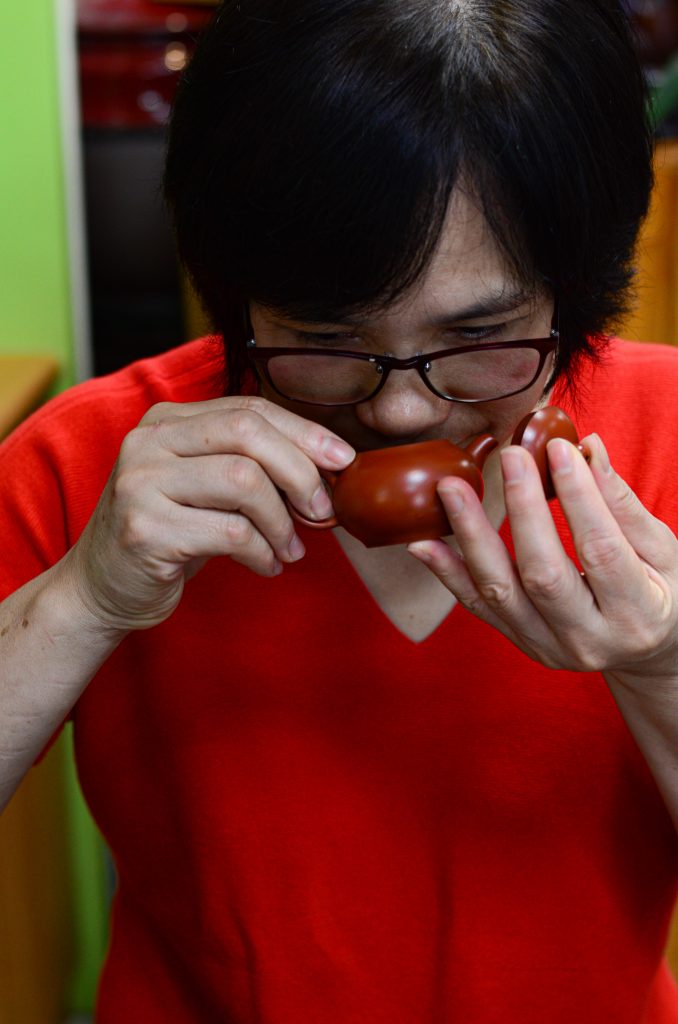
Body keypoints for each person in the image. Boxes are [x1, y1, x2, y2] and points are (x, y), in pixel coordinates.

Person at [2, 1, 678, 1020]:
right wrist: (81, 601)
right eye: (323, 334)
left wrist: (662, 667)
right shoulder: (88, 462)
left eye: (482, 333)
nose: (400, 405)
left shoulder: (667, 435)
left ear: (577, 291)